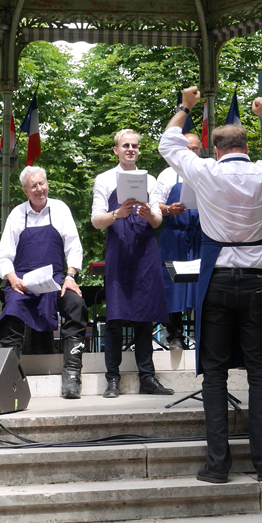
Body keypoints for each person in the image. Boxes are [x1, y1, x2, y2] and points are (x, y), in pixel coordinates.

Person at [159, 87, 262, 484]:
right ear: (247, 147)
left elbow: (168, 143)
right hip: (256, 281)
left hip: (216, 280)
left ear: (216, 151)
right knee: (260, 372)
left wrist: (185, 105)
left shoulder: (206, 170)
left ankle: (218, 466)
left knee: (215, 374)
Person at [92, 128, 172, 397]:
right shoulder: (104, 179)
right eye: (125, 145)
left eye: (135, 145)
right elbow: (96, 221)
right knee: (114, 318)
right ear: (116, 150)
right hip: (118, 254)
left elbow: (158, 222)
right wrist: (117, 213)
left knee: (145, 318)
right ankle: (112, 379)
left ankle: (147, 378)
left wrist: (149, 214)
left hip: (145, 254)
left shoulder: (150, 180)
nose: (130, 149)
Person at [0, 165, 88, 397]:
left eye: (42, 183)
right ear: (25, 191)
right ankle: (11, 380)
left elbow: (74, 246)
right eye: (33, 186)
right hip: (23, 281)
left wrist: (70, 276)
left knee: (76, 305)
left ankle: (72, 376)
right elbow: (4, 255)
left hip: (55, 280)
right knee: (11, 311)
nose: (39, 189)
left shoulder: (60, 209)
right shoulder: (17, 214)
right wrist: (12, 278)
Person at [154, 132, 203, 350]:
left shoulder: (206, 171)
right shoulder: (167, 174)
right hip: (174, 237)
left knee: (201, 286)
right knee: (172, 285)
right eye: (187, 148)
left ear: (200, 150)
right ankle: (174, 336)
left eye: (195, 149)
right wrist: (169, 209)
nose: (191, 153)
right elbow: (155, 205)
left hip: (201, 237)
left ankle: (204, 335)